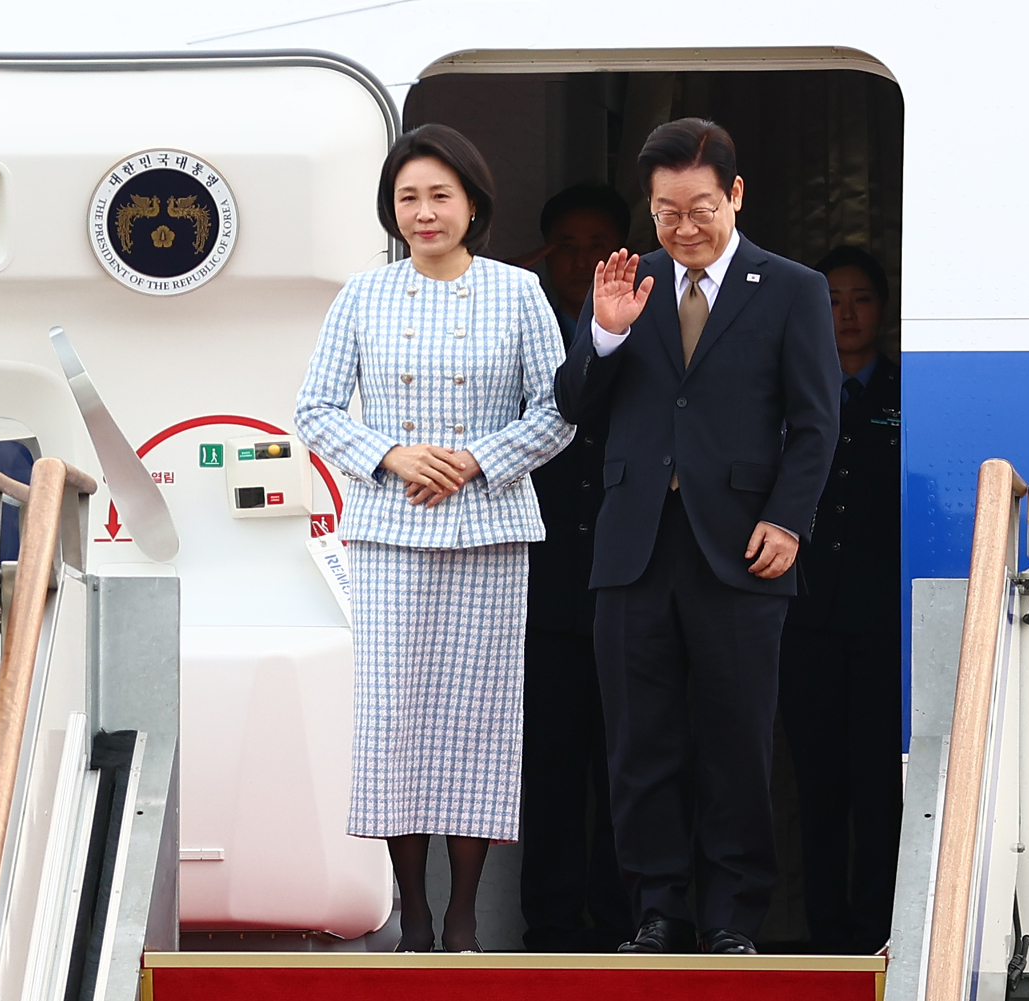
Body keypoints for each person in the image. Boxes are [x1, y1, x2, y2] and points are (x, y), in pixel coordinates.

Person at [554, 117, 839, 955]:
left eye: (701, 208)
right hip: (635, 544)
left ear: (736, 195)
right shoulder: (624, 281)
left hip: (744, 542)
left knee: (736, 738)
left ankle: (731, 915)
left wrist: (789, 518)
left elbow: (815, 424)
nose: (683, 227)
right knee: (640, 739)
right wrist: (603, 332)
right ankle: (657, 908)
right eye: (667, 211)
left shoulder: (790, 287)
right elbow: (575, 407)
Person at [294, 123, 573, 953]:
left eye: (439, 196)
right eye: (408, 197)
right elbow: (313, 407)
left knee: (480, 722)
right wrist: (391, 453)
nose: (424, 213)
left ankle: (463, 919)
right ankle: (412, 913)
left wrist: (477, 460)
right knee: (395, 721)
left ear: (474, 203)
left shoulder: (520, 293)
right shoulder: (362, 295)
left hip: (489, 535)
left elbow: (556, 410)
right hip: (391, 535)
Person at [519, 184, 635, 953]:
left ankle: (628, 924)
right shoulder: (517, 327)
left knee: (631, 767)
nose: (582, 257)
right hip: (542, 583)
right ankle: (553, 928)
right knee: (550, 774)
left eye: (600, 242)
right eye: (567, 243)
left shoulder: (648, 322)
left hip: (633, 583)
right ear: (543, 255)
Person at [779, 245, 901, 955]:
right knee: (817, 782)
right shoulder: (793, 388)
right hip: (806, 614)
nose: (847, 313)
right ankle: (825, 933)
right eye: (831, 300)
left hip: (883, 619)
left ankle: (877, 927)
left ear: (883, 309)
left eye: (860, 298)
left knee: (878, 784)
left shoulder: (909, 393)